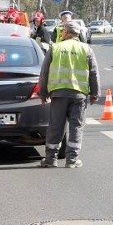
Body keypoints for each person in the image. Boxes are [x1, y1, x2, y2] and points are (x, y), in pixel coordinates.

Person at [38, 20, 99, 168]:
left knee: (55, 126)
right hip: (79, 94)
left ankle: (51, 159)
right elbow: (93, 73)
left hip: (58, 94)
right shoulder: (86, 49)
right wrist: (95, 92)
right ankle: (72, 160)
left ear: (65, 32)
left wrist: (43, 92)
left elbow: (44, 73)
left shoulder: (55, 48)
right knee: (76, 126)